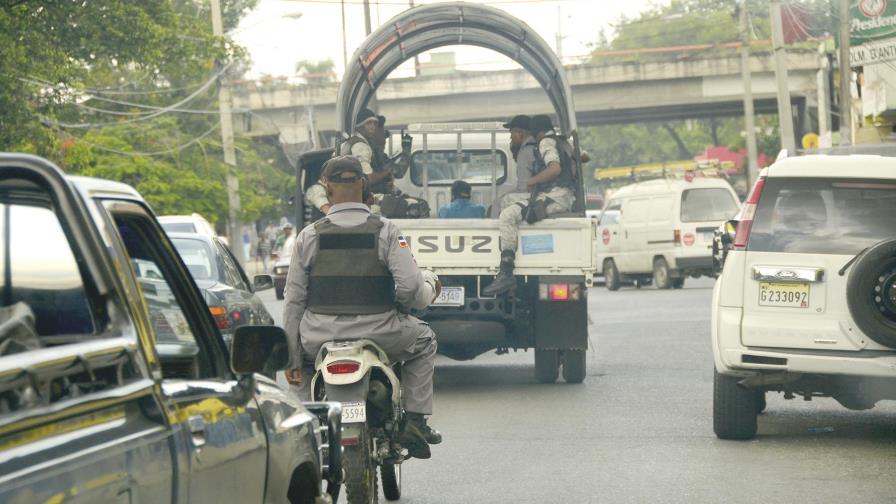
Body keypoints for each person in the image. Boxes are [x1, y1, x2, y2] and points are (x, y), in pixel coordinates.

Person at [282, 155, 442, 459]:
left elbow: (294, 301)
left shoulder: (309, 235)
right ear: (364, 185)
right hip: (382, 332)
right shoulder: (387, 230)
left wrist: (291, 357)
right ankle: (416, 421)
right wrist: (400, 310)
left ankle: (309, 435)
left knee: (300, 366)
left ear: (326, 188)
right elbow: (409, 286)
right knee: (425, 341)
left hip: (319, 337)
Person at [481, 114, 576, 296]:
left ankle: (506, 273)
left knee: (508, 214)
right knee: (507, 202)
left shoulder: (545, 143)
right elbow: (582, 158)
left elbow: (554, 168)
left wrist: (534, 179)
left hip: (554, 197)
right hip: (561, 195)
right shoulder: (563, 142)